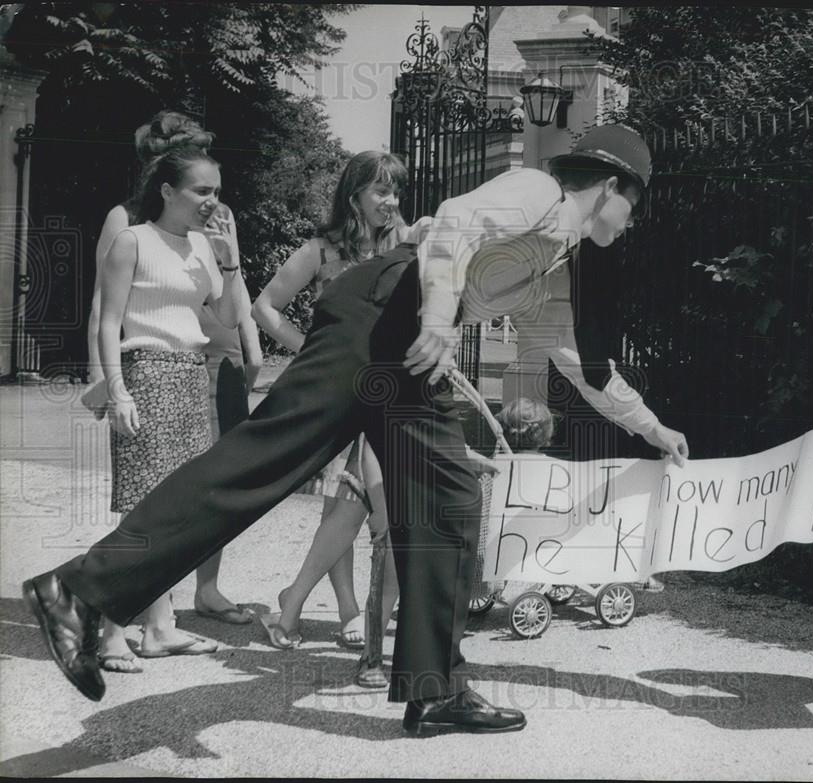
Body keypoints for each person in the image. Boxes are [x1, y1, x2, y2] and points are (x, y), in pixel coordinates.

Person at [24, 125, 688, 736]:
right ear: (611, 186)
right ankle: (78, 592)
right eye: (635, 204)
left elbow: (583, 367)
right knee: (258, 463)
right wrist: (437, 317)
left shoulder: (553, 267)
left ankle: (435, 688)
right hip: (383, 317)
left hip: (410, 346)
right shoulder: (541, 193)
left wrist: (653, 427)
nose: (632, 222)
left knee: (450, 499)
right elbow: (457, 219)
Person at [83, 113, 260, 675]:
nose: (213, 202)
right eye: (202, 191)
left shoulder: (205, 249)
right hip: (144, 374)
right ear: (167, 188)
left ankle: (160, 627)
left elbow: (230, 318)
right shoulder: (132, 238)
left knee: (179, 509)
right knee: (143, 512)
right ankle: (112, 629)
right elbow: (108, 320)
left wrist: (230, 262)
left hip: (188, 377)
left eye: (217, 192)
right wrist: (114, 389)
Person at [251, 151, 409, 650]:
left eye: (396, 190)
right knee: (347, 501)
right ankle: (339, 611)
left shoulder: (404, 244)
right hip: (336, 393)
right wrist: (309, 349)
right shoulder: (320, 250)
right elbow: (264, 307)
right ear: (354, 194)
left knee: (351, 501)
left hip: (387, 391)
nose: (391, 200)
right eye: (381, 190)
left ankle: (313, 605)